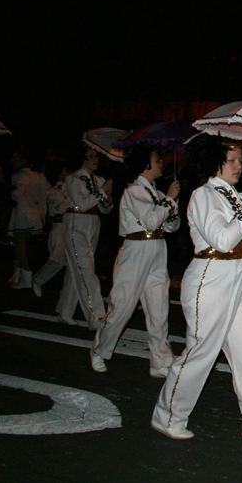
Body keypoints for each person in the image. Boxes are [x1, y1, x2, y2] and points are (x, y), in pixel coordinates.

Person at [152, 136, 242, 447]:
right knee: (201, 351)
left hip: (239, 278)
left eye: (241, 160)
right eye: (233, 160)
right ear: (216, 163)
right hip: (211, 278)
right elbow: (221, 240)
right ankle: (169, 415)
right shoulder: (204, 195)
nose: (239, 165)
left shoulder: (239, 196)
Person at [90, 146, 181, 376]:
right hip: (136, 250)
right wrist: (169, 201)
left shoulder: (157, 194)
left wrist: (172, 209)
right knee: (122, 305)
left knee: (159, 308)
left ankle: (160, 361)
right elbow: (151, 221)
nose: (162, 163)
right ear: (145, 165)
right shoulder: (134, 191)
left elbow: (171, 226)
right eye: (157, 159)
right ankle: (100, 350)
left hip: (157, 251)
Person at [57, 145, 114, 329]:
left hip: (92, 223)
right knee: (86, 269)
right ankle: (96, 316)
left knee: (78, 268)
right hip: (76, 223)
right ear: (81, 159)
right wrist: (102, 192)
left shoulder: (99, 179)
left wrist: (106, 199)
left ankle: (65, 311)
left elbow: (106, 210)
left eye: (96, 156)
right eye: (90, 156)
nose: (94, 160)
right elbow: (81, 205)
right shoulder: (73, 180)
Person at [7, 150, 49, 289]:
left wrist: (6, 184)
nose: (14, 161)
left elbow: (17, 194)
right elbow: (46, 192)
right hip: (36, 214)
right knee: (22, 246)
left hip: (23, 214)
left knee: (20, 247)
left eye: (17, 158)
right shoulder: (39, 176)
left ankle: (26, 278)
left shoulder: (20, 175)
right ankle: (16, 276)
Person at [32, 160, 70, 297]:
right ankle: (38, 280)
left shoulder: (72, 188)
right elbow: (61, 208)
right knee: (58, 260)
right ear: (59, 174)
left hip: (72, 226)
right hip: (60, 227)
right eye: (66, 171)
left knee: (73, 262)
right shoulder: (53, 191)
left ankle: (67, 291)